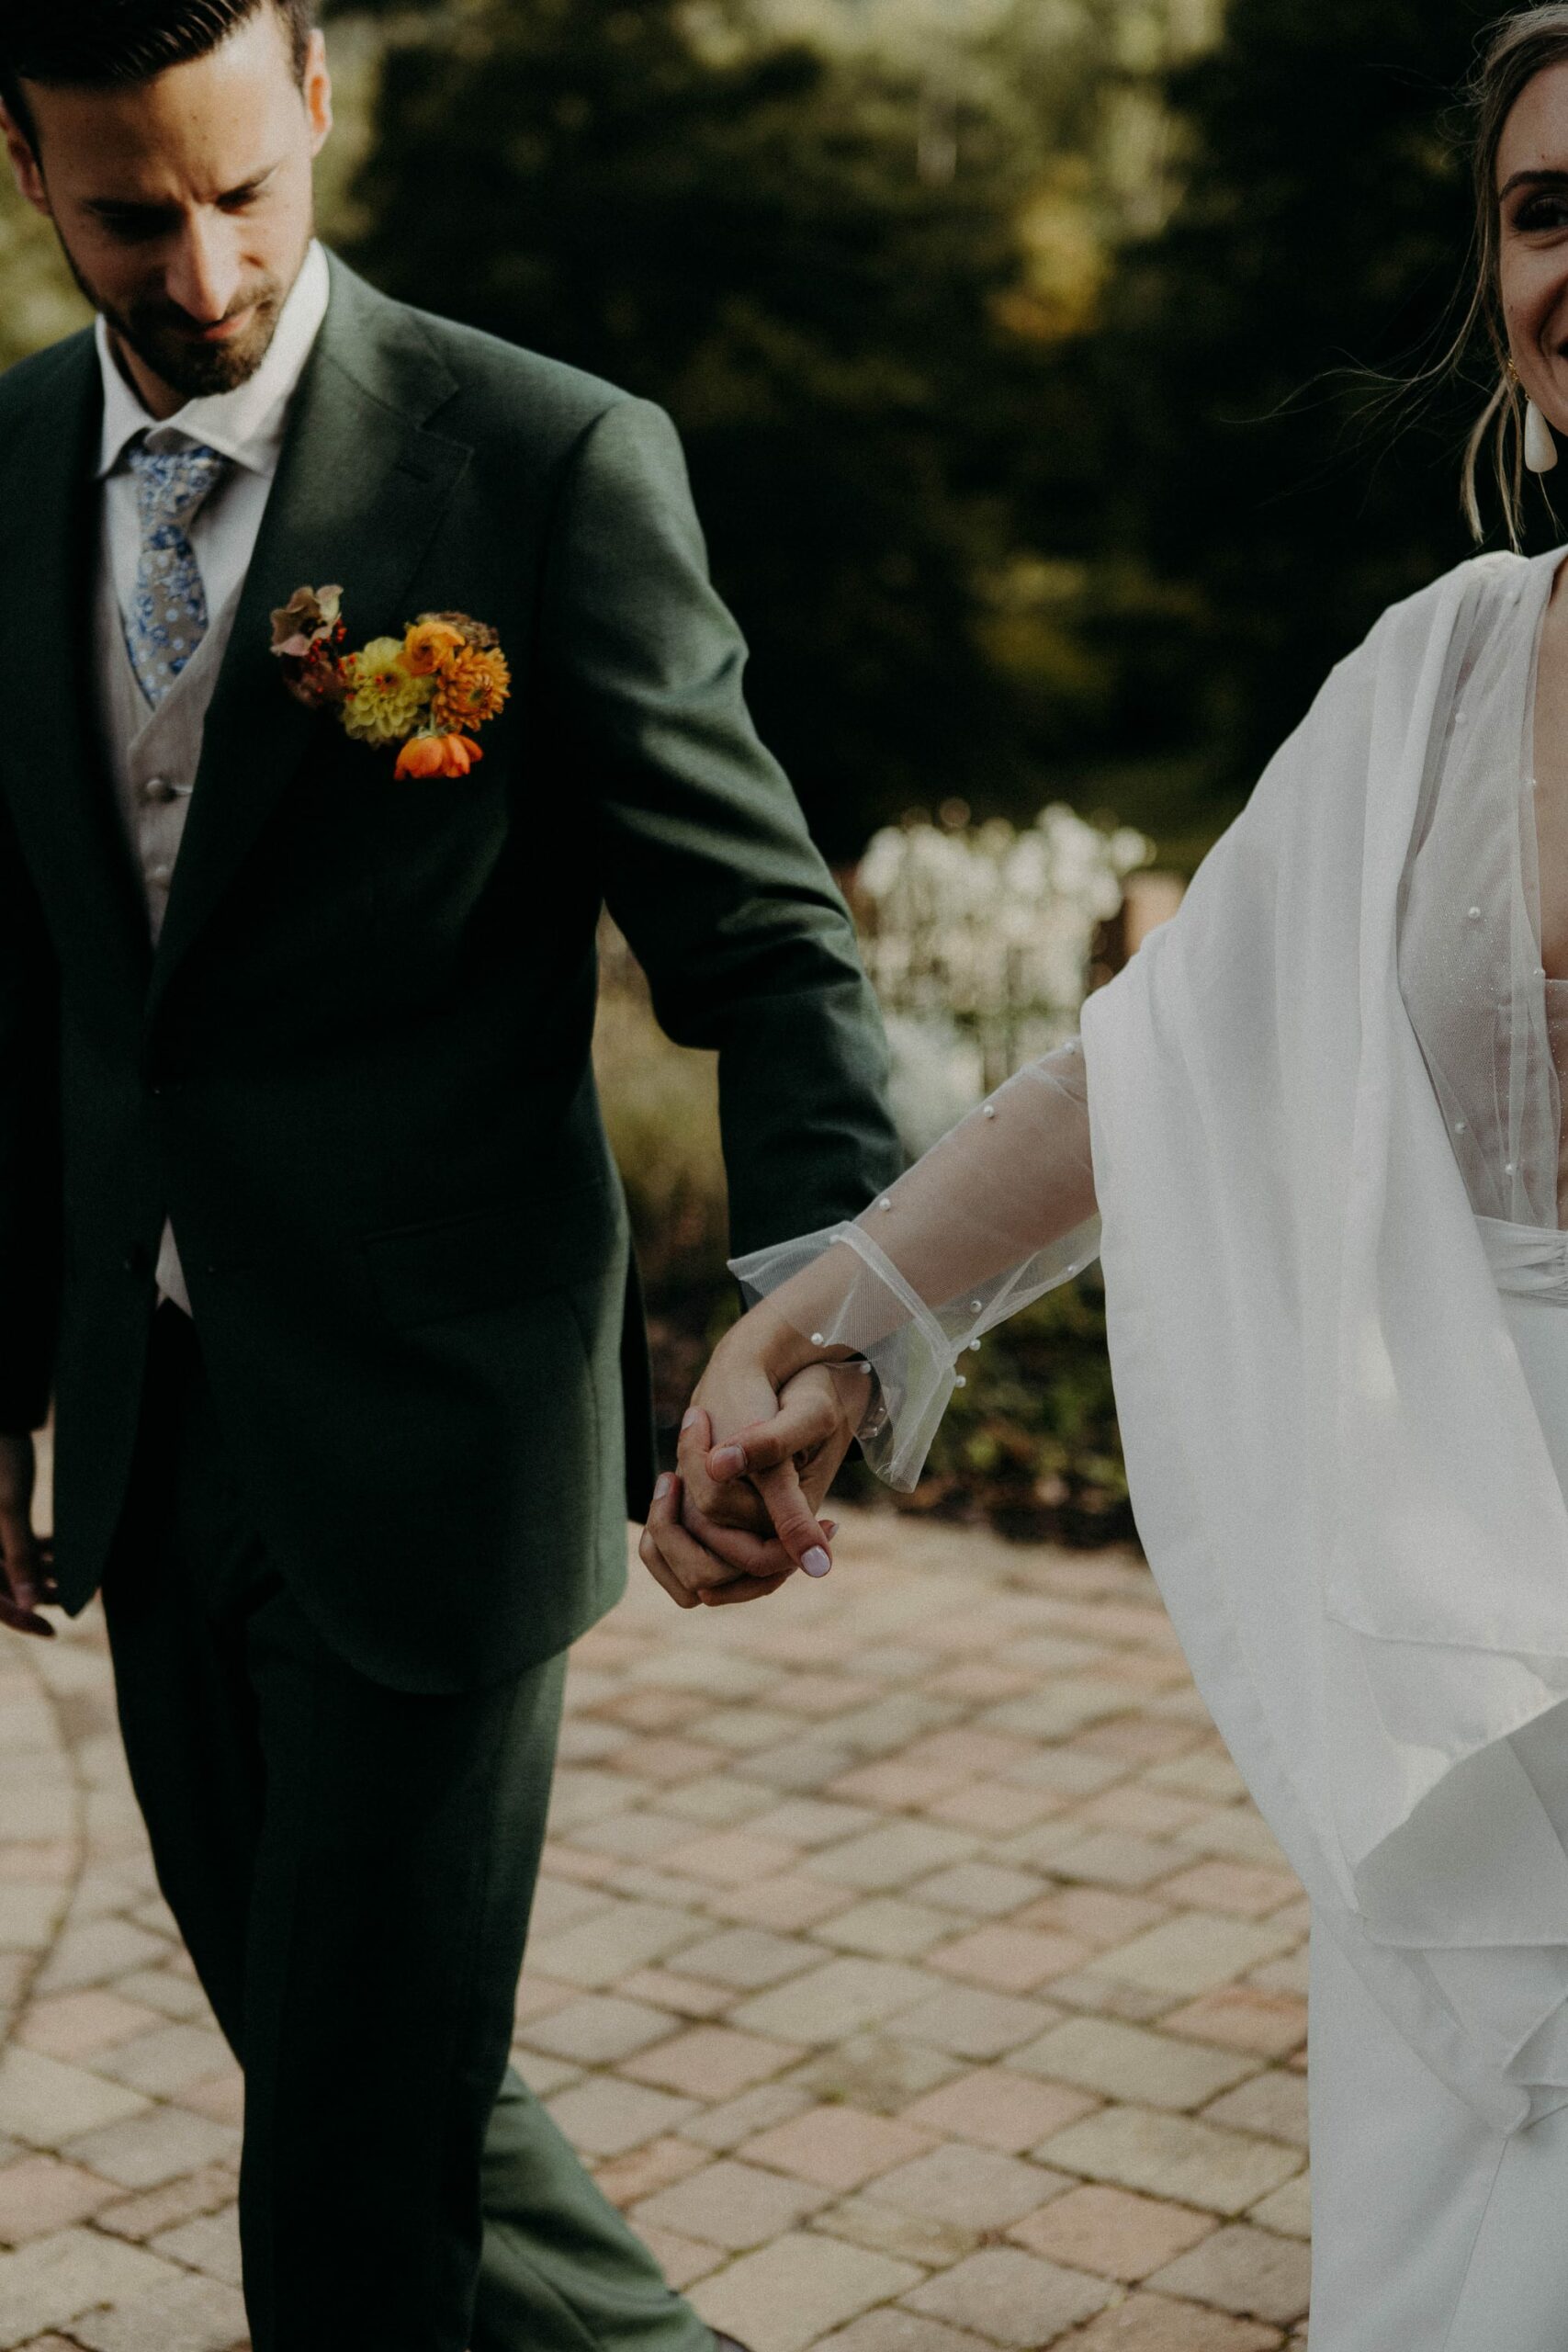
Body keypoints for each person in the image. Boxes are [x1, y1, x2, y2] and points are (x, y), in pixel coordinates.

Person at [641, 11, 1568, 2348]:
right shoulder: (1437, 680)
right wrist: (830, 1317)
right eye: (1546, 211)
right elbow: (1146, 1072)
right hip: (1465, 1637)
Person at [0, 2, 903, 2346]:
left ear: (315, 96)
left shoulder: (542, 459)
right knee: (372, 2082)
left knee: (347, 2182)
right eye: (126, 209)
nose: (196, 264)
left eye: (242, 191)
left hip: (441, 1433)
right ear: (22, 172)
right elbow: (39, 981)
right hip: (156, 1430)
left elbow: (767, 944)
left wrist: (821, 1321)